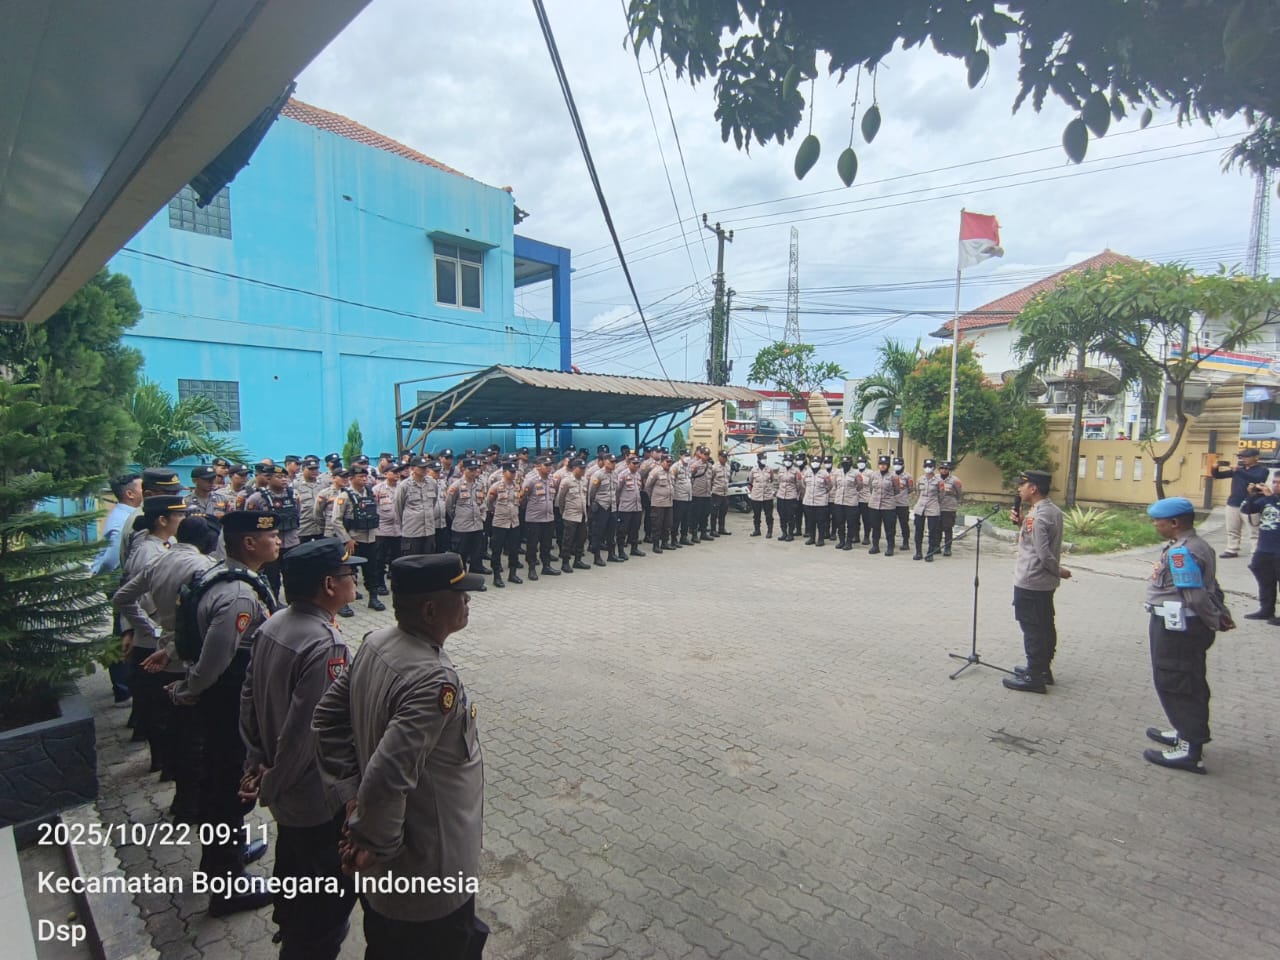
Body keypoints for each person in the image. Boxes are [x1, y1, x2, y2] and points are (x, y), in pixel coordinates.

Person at [312, 554, 489, 960]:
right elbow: (389, 774)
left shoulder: (376, 642)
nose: (468, 601)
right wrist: (374, 841)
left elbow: (326, 721)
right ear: (430, 611)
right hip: (427, 872)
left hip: (393, 877)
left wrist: (350, 797)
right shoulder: (432, 679)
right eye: (459, 595)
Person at [239, 538, 361, 959]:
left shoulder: (274, 624)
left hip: (282, 785)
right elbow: (308, 734)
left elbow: (247, 700)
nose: (355, 578)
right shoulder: (326, 645)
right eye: (348, 573)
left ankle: (291, 932)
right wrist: (271, 782)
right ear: (328, 585)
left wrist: (256, 761)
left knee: (292, 873)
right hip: (311, 796)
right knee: (323, 907)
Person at [167, 510, 280, 916]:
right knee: (227, 789)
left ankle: (225, 856)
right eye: (271, 536)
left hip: (222, 703)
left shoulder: (221, 575)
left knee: (223, 787)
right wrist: (189, 689)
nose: (278, 541)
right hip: (226, 705)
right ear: (249, 543)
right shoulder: (239, 595)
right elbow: (216, 657)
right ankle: (226, 883)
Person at [1141, 497, 1234, 773]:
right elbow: (1211, 586)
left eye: (1158, 521)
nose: (1155, 524)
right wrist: (1220, 614)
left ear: (1174, 523)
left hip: (1178, 629)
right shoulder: (1197, 545)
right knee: (1188, 679)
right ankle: (1185, 731)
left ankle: (1189, 750)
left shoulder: (1181, 553)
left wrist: (1214, 620)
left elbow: (1194, 595)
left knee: (1176, 681)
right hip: (1183, 626)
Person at [1002, 470, 1072, 693]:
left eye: (1022, 485)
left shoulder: (1038, 516)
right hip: (1044, 582)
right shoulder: (1052, 511)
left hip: (1031, 579)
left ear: (1033, 488)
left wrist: (1059, 571)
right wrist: (1021, 523)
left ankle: (1034, 677)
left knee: (1032, 628)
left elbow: (1042, 553)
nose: (1019, 489)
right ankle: (1042, 669)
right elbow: (1038, 541)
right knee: (1045, 625)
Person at [95, 473, 143, 703]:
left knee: (123, 630)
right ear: (130, 493)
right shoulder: (124, 518)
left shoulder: (124, 514)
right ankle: (122, 688)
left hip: (120, 582)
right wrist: (104, 574)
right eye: (142, 487)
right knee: (122, 631)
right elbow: (111, 557)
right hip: (120, 583)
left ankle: (124, 685)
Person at [330, 466, 385, 612]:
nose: (364, 479)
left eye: (365, 476)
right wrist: (347, 539)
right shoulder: (344, 496)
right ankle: (343, 603)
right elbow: (336, 520)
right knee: (348, 572)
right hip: (353, 540)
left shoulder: (370, 493)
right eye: (360, 476)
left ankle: (373, 598)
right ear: (351, 478)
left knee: (371, 570)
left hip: (370, 538)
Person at [1210, 447, 1268, 558]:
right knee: (1232, 529)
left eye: (1247, 457)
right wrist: (1215, 468)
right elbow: (1218, 476)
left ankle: (1256, 552)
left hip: (1251, 503)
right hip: (1234, 502)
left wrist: (1238, 471)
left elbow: (1256, 479)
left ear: (1256, 457)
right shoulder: (1239, 469)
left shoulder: (1262, 470)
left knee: (1254, 530)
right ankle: (1232, 549)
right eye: (1242, 457)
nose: (1244, 459)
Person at [1241, 475, 1280, 623]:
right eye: (1274, 482)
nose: (1275, 485)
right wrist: (1251, 496)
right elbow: (1247, 509)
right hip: (1264, 548)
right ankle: (1266, 609)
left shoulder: (1271, 499)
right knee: (1265, 579)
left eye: (1279, 483)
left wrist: (1271, 498)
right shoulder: (1266, 500)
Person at [488, 460, 524, 586]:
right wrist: (497, 512)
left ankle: (512, 574)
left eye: (515, 472)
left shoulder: (517, 486)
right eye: (511, 472)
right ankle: (497, 576)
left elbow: (520, 501)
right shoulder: (496, 486)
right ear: (504, 472)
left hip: (514, 522)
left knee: (514, 549)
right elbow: (489, 502)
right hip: (500, 523)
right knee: (497, 550)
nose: (513, 474)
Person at [911, 459, 942, 562]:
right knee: (918, 530)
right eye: (926, 466)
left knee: (932, 531)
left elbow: (942, 495)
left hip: (933, 506)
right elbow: (917, 492)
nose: (928, 468)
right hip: (920, 507)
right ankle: (918, 552)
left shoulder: (939, 481)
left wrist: (936, 502)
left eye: (930, 466)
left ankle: (930, 552)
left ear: (934, 468)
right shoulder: (920, 479)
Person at [644, 454, 675, 552]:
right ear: (662, 462)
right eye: (667, 462)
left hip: (669, 502)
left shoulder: (670, 471)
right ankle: (656, 545)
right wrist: (653, 498)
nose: (669, 464)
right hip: (658, 503)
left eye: (670, 462)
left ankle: (665, 543)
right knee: (657, 525)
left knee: (668, 524)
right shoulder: (656, 471)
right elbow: (648, 486)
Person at [937, 461, 963, 556]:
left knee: (947, 528)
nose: (944, 470)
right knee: (937, 528)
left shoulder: (955, 480)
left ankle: (947, 548)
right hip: (937, 507)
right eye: (942, 468)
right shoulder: (935, 478)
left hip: (949, 507)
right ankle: (936, 547)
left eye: (946, 469)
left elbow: (959, 494)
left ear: (949, 470)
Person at [747, 453, 775, 538]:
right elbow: (750, 481)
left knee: (769, 515)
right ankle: (757, 530)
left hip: (767, 496)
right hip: (756, 496)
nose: (764, 460)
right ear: (758, 460)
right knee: (756, 515)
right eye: (762, 459)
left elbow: (772, 479)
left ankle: (769, 531)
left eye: (765, 459)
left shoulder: (769, 470)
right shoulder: (753, 470)